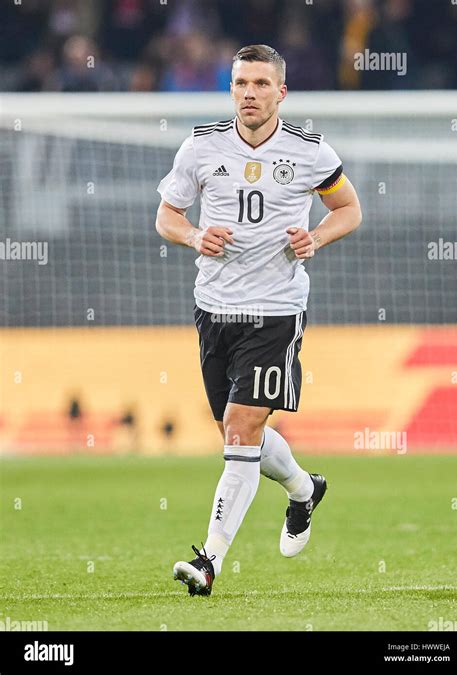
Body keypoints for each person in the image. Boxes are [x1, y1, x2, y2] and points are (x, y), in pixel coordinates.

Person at [156, 44, 362, 596]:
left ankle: (209, 562)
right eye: (241, 83)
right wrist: (197, 235)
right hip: (213, 307)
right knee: (235, 430)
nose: (250, 93)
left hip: (274, 311)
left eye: (261, 84)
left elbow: (349, 209)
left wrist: (313, 237)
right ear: (231, 88)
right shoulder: (200, 147)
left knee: (243, 427)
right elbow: (167, 216)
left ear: (281, 92)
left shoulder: (310, 153)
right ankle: (302, 488)